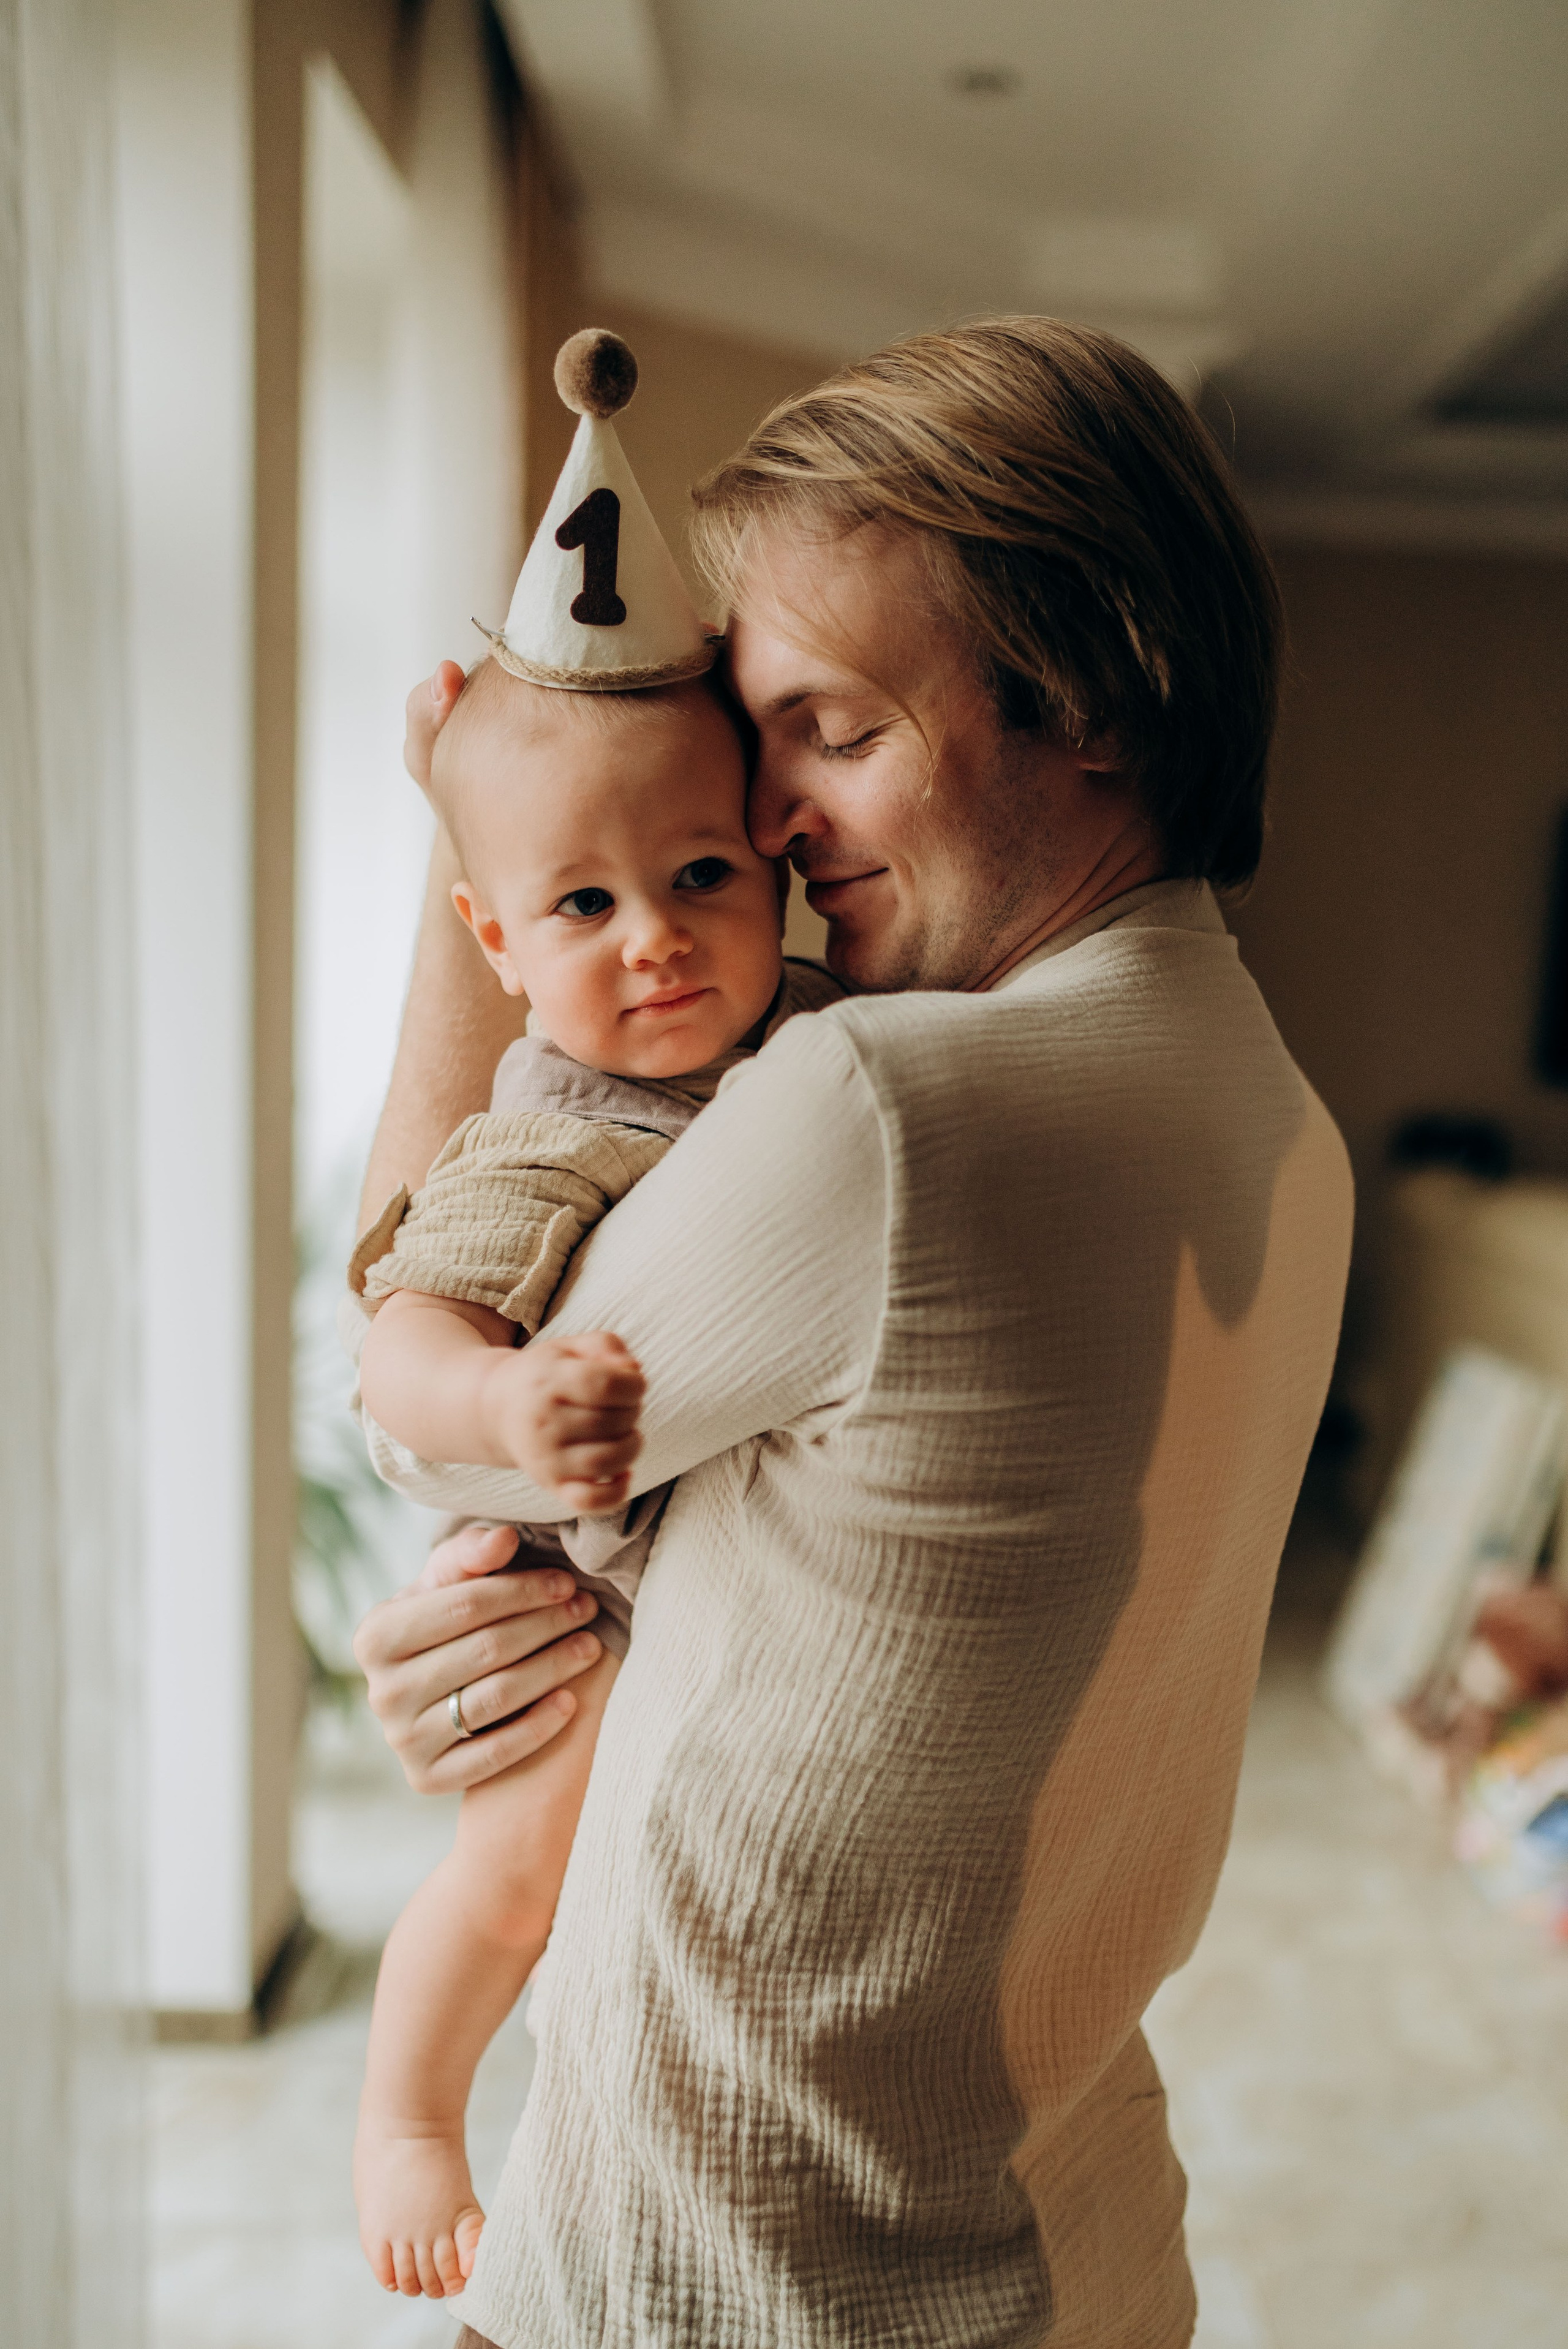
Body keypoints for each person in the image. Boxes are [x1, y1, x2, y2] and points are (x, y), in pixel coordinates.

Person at [352, 315, 1355, 2348]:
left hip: (736, 2269)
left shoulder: (889, 1112)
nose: (774, 816)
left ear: (1097, 695)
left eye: (833, 729)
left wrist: (476, 837)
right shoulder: (1286, 1124)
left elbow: (434, 1401)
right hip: (1067, 2231)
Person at [347, 334, 843, 2298]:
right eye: (582, 907)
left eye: (702, 873)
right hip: (575, 1597)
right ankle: (408, 2110)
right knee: (519, 1867)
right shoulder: (550, 1122)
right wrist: (504, 1401)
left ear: (777, 863)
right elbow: (404, 1331)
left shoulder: (826, 1038)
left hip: (724, 1593)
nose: (655, 939)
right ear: (492, 937)